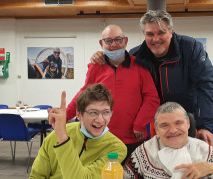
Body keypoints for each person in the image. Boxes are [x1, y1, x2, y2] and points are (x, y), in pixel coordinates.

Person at [91, 10, 213, 147]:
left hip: (184, 120)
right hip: (151, 125)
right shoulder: (136, 55)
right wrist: (102, 56)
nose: (156, 39)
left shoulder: (191, 48)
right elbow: (116, 67)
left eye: (161, 32)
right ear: (144, 35)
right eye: (150, 34)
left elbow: (207, 86)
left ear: (171, 31)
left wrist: (204, 126)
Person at [66, 25, 160, 162]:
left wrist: (140, 123)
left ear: (126, 41)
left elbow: (152, 98)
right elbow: (83, 96)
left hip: (132, 138)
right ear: (101, 43)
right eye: (108, 41)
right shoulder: (95, 66)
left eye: (118, 40)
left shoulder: (140, 66)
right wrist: (64, 115)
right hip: (101, 138)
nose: (114, 44)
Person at [30, 83, 127, 178]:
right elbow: (36, 176)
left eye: (106, 112)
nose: (100, 120)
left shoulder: (116, 148)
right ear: (79, 114)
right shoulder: (56, 135)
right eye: (93, 112)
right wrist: (61, 135)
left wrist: (63, 139)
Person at [124, 102, 213, 179]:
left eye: (178, 123)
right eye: (164, 125)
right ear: (156, 130)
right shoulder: (143, 153)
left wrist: (212, 169)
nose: (173, 130)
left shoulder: (207, 152)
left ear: (188, 124)